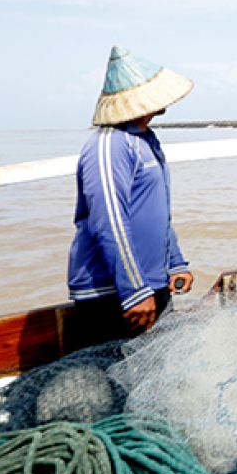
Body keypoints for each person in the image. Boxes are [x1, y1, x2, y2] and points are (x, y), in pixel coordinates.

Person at [67, 45, 195, 335]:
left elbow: (157, 211)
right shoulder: (110, 144)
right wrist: (134, 290)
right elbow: (108, 221)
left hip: (152, 285)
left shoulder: (147, 139)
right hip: (113, 294)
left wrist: (175, 263)